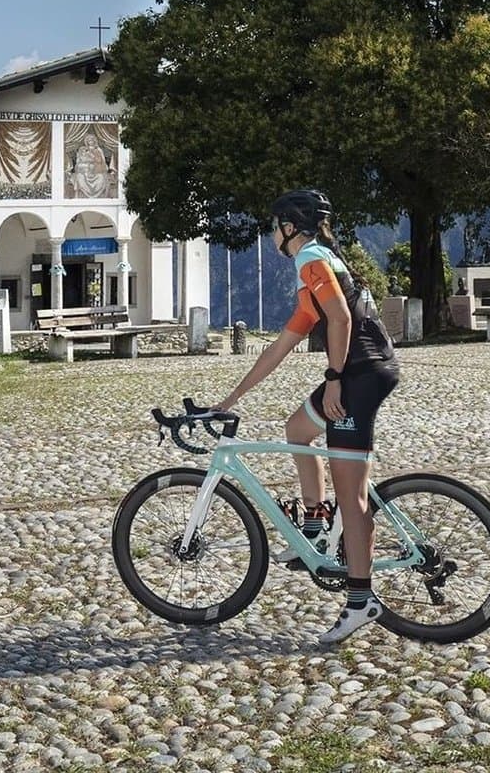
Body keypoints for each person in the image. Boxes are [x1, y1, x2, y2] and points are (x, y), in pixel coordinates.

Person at [212, 188, 400, 644]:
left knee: (352, 498)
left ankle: (361, 601)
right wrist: (229, 400)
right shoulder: (314, 268)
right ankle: (315, 528)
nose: (271, 234)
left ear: (289, 227)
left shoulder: (311, 258)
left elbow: (341, 319)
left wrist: (334, 377)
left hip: (359, 376)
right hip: (358, 370)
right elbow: (278, 348)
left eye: (274, 226)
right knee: (297, 429)